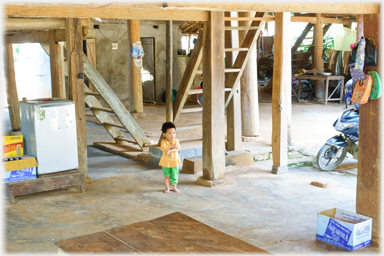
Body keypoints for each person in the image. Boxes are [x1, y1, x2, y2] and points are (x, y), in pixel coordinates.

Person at [159, 122, 181, 193]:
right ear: (164, 134)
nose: (172, 135)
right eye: (169, 133)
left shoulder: (176, 141)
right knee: (167, 176)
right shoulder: (163, 141)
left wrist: (169, 151)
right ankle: (167, 188)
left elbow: (177, 148)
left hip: (174, 162)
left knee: (175, 175)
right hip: (166, 163)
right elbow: (163, 148)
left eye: (174, 133)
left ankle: (174, 188)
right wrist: (171, 147)